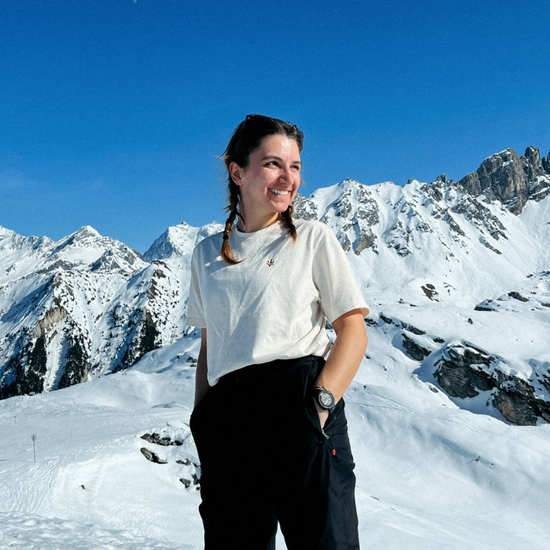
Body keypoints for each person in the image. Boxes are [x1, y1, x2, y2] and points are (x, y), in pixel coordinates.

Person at [187, 114, 369, 550]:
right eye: (273, 164)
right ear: (237, 171)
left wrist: (319, 406)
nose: (289, 178)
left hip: (300, 404)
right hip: (229, 423)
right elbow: (211, 345)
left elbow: (353, 330)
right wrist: (203, 420)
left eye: (296, 167)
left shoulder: (312, 238)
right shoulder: (207, 253)